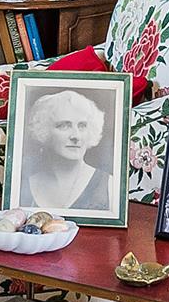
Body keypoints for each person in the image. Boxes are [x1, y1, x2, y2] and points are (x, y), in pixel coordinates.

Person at [21, 88, 115, 217]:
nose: (76, 136)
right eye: (64, 125)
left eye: (82, 126)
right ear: (44, 130)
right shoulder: (24, 185)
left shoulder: (109, 185)